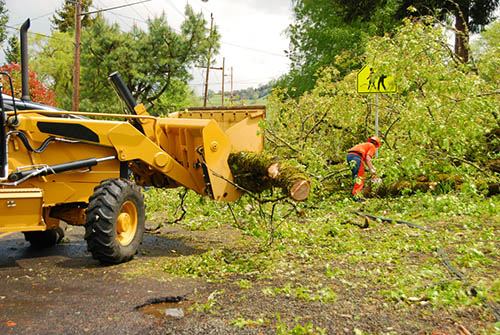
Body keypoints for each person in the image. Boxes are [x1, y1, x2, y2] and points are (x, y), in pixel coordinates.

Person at [346, 136, 380, 200]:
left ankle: (354, 195)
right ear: (376, 144)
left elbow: (366, 161)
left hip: (349, 156)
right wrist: (372, 170)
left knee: (356, 176)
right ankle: (356, 197)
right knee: (359, 176)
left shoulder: (364, 145)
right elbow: (368, 159)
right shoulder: (372, 146)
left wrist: (370, 167)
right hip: (356, 157)